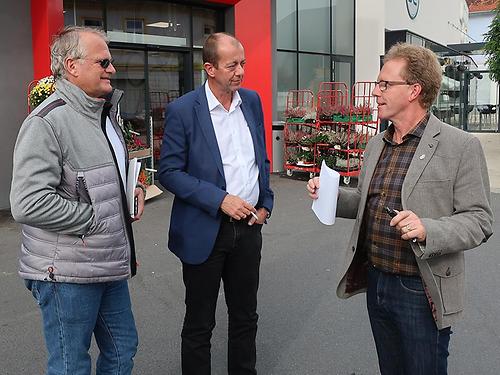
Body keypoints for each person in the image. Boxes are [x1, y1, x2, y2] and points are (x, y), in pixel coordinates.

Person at [307, 43, 493, 375]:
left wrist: (428, 229)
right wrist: (331, 196)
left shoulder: (461, 146)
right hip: (377, 282)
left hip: (420, 289)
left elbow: (479, 220)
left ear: (414, 90)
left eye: (385, 84)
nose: (376, 91)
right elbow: (367, 201)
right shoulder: (377, 143)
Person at [10, 26, 145, 375]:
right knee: (71, 365)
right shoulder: (46, 122)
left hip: (107, 263)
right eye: (103, 61)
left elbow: (108, 176)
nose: (112, 69)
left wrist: (135, 189)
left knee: (122, 349)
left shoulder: (105, 114)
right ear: (71, 66)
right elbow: (28, 202)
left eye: (111, 61)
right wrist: (96, 218)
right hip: (66, 272)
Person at [159, 32, 274, 375]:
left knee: (245, 317)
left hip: (249, 229)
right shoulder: (183, 110)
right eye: (232, 65)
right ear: (209, 68)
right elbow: (169, 172)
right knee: (199, 323)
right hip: (204, 231)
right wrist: (220, 200)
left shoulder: (251, 101)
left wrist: (266, 201)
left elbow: (260, 159)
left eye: (243, 63)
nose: (240, 71)